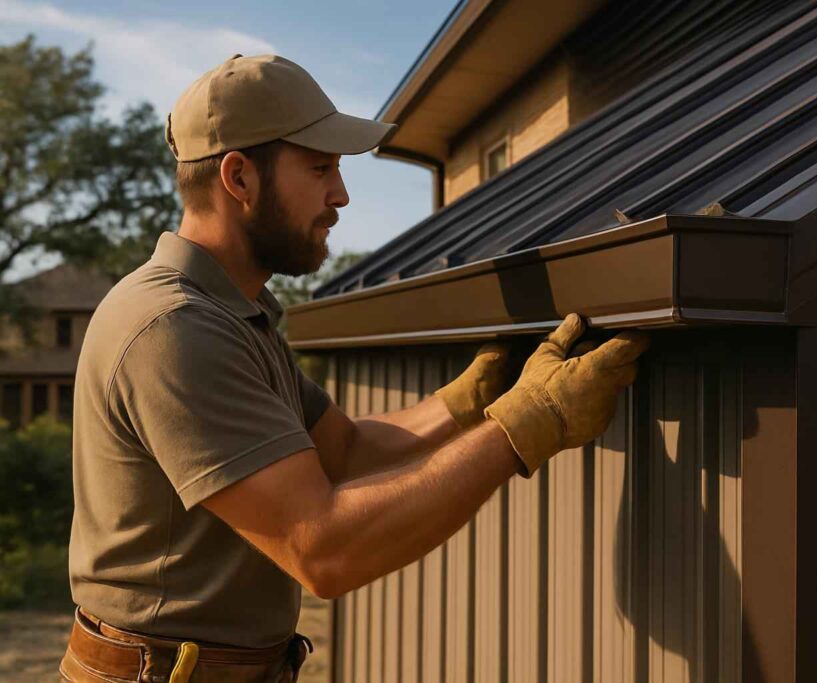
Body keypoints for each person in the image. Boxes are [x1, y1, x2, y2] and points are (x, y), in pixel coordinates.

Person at [59, 54, 649, 682]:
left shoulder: (235, 314)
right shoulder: (176, 328)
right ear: (239, 178)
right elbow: (324, 549)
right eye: (319, 168)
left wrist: (467, 402)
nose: (340, 194)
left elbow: (345, 450)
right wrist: (530, 424)